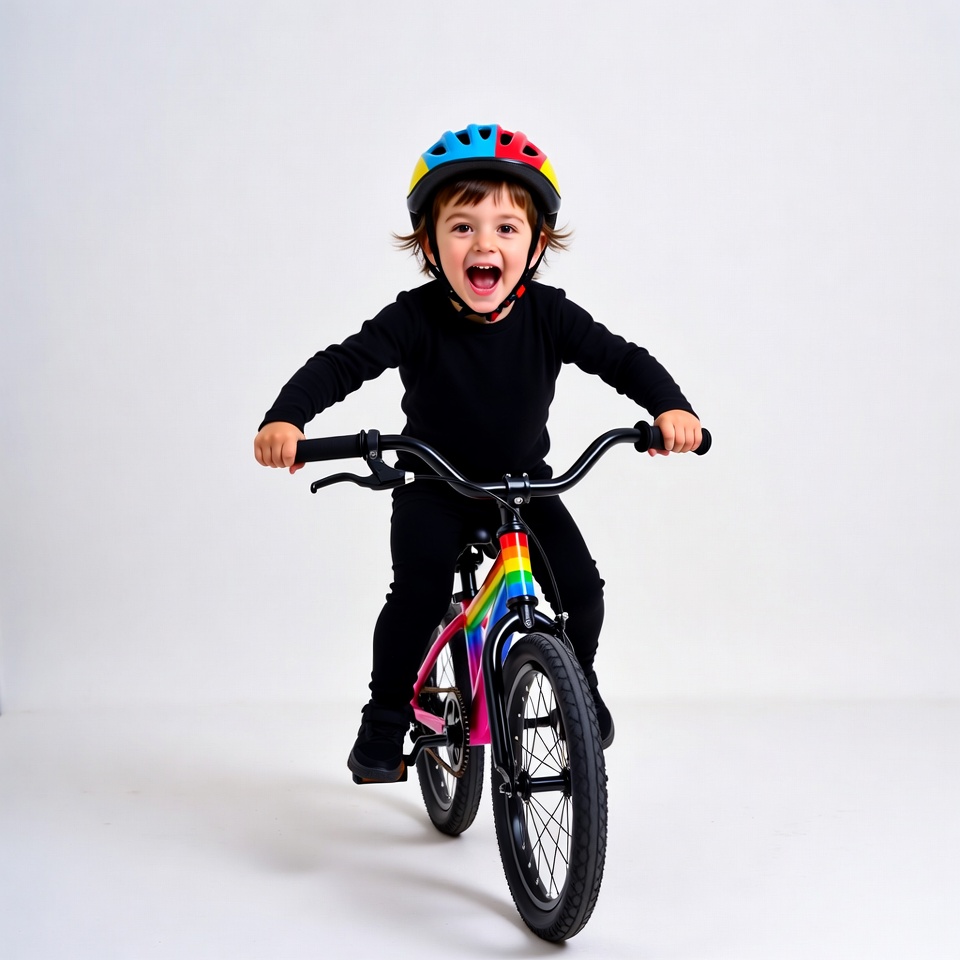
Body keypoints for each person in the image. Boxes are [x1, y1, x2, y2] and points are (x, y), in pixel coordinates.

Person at [254, 123, 702, 783]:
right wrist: (288, 418)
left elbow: (621, 359)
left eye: (506, 228)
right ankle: (383, 722)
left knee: (582, 588)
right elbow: (341, 364)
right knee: (419, 589)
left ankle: (578, 683)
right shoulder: (413, 317)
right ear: (430, 246)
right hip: (435, 486)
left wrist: (669, 408)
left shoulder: (551, 315)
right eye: (462, 227)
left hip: (525, 486)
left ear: (537, 243)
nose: (484, 243)